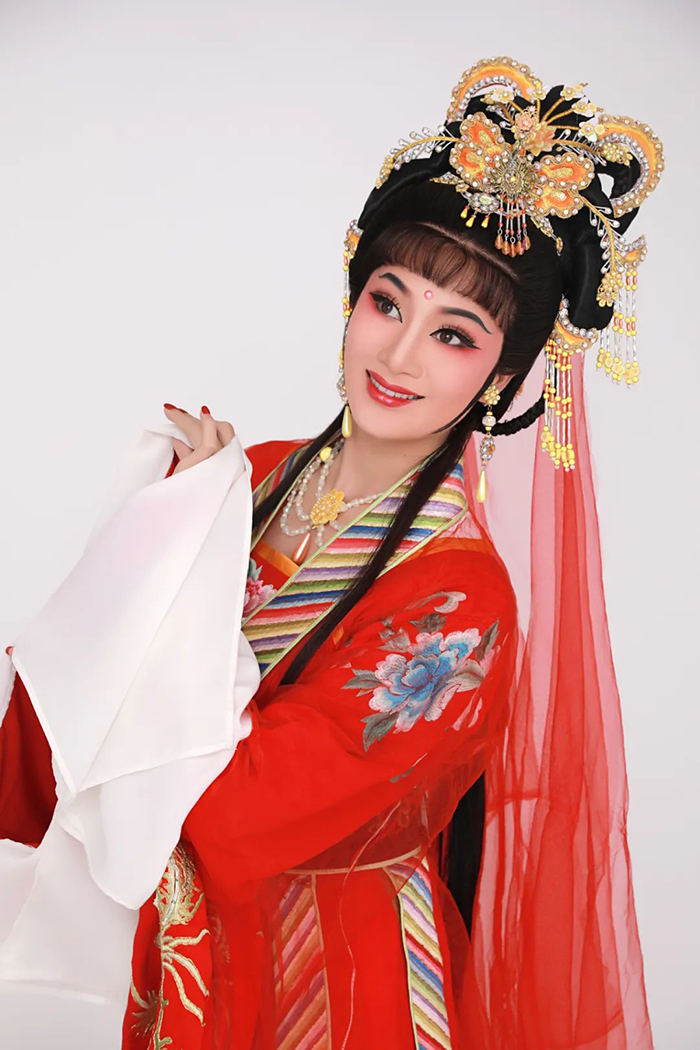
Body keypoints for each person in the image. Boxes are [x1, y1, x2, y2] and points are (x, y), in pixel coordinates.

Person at [0, 56, 663, 1049]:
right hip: (190, 939)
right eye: (388, 303)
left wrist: (172, 562)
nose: (397, 355)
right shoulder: (256, 475)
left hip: (343, 969)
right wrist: (167, 528)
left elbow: (234, 808)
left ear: (502, 375)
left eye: (454, 335)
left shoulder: (459, 602)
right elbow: (59, 704)